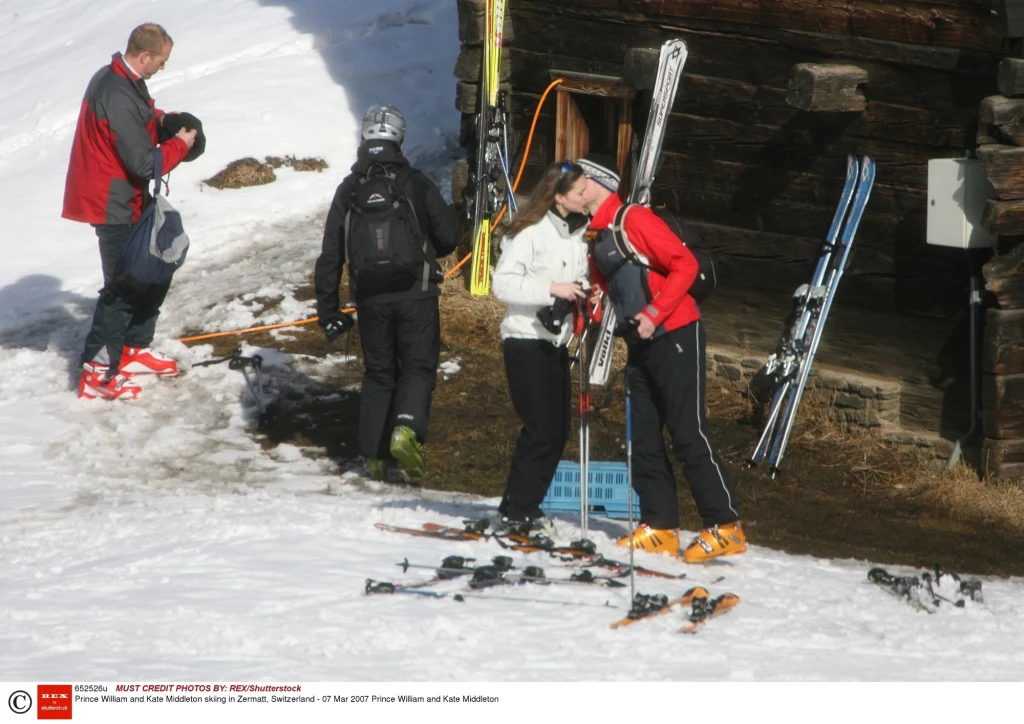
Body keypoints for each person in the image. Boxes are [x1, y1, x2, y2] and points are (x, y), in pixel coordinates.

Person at [579, 152, 746, 563]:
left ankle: (726, 525)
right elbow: (605, 295)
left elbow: (683, 265)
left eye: (576, 179)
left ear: (597, 183)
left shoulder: (634, 219)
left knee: (687, 432)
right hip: (640, 342)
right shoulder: (596, 235)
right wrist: (586, 306)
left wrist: (654, 314)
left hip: (676, 333)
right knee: (642, 437)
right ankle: (660, 526)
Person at [314, 104, 458, 481]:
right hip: (416, 294)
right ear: (399, 138)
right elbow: (449, 236)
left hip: (370, 299)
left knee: (378, 373)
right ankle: (406, 429)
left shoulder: (348, 189)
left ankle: (373, 457)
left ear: (364, 138)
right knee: (417, 367)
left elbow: (330, 254)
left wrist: (328, 310)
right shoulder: (414, 181)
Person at [63, 23, 198, 400]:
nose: (162, 67)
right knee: (123, 288)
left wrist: (164, 122)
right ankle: (96, 373)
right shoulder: (116, 90)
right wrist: (180, 145)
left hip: (131, 198)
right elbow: (142, 162)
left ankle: (134, 348)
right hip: (112, 204)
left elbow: (141, 119)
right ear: (144, 56)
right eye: (161, 61)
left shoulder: (125, 79)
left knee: (153, 271)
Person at [491, 161, 590, 535]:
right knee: (540, 430)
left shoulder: (576, 234)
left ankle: (517, 505)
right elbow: (502, 285)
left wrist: (584, 291)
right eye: (580, 191)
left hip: (556, 342)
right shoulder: (530, 232)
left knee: (558, 431)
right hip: (525, 340)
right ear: (559, 196)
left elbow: (576, 277)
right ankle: (520, 511)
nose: (586, 196)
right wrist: (551, 289)